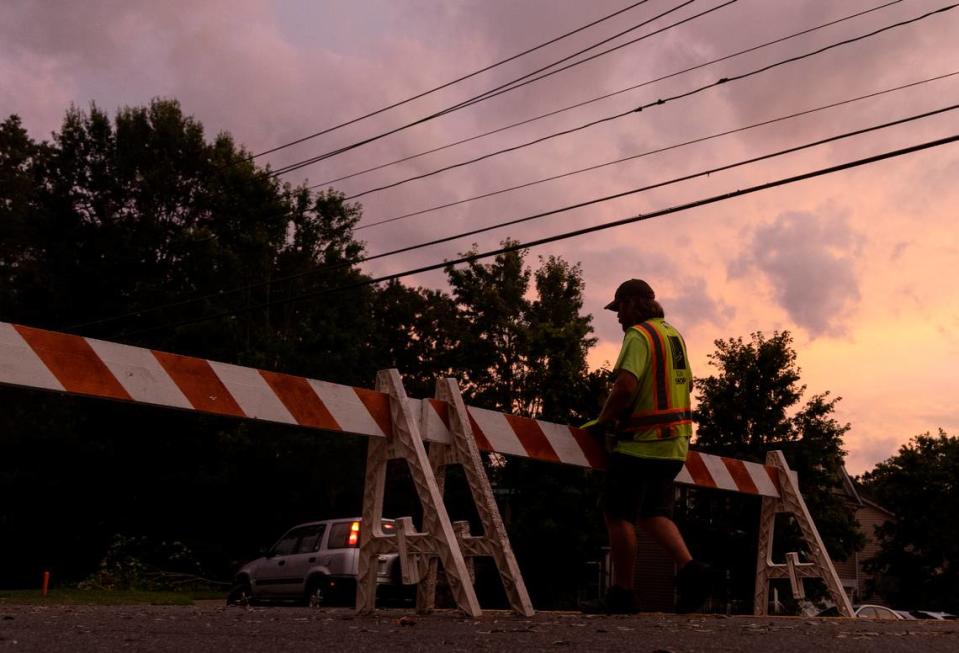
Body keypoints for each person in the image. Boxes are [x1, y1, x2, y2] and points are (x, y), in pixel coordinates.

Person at [580, 278, 711, 614]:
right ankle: (693, 573)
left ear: (631, 304)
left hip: (642, 443)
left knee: (618, 514)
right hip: (674, 445)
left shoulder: (638, 336)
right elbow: (689, 382)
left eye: (618, 309)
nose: (617, 317)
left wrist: (604, 421)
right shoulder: (673, 335)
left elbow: (625, 386)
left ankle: (622, 594)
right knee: (654, 514)